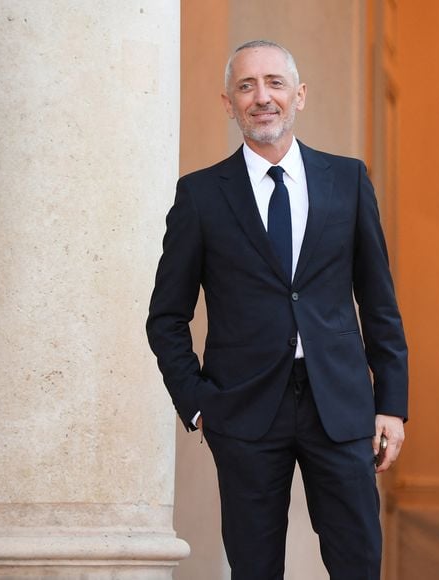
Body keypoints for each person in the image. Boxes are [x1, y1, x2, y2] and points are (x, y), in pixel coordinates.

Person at [146, 39, 408, 580]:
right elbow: (166, 317)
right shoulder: (200, 196)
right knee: (254, 567)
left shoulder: (348, 180)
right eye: (246, 86)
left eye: (274, 83)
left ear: (300, 96)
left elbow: (379, 301)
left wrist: (392, 404)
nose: (261, 97)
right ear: (228, 102)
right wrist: (197, 403)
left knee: (358, 561)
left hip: (339, 405)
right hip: (242, 412)